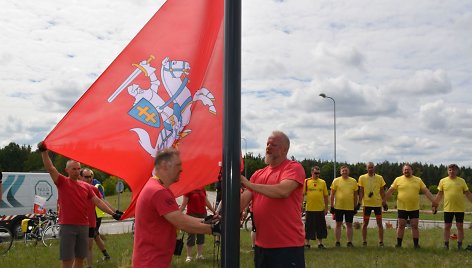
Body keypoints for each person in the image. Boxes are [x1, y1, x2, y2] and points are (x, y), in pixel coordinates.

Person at [38, 141, 122, 268]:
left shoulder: (86, 187)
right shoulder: (62, 182)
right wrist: (44, 152)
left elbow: (98, 201)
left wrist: (113, 214)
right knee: (67, 260)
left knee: (80, 259)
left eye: (78, 169)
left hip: (83, 226)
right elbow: (50, 168)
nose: (77, 171)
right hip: (67, 226)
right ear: (67, 170)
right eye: (74, 169)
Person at [132, 148, 220, 268]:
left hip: (152, 260)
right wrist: (214, 229)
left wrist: (207, 220)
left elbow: (180, 217)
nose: (181, 169)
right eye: (178, 165)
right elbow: (182, 223)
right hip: (151, 262)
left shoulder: (159, 188)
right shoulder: (158, 191)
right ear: (164, 166)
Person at [240, 131, 306, 268]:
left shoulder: (293, 168)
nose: (268, 147)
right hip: (262, 246)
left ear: (284, 150)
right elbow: (241, 203)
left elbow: (283, 191)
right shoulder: (258, 174)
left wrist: (249, 184)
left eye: (273, 144)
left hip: (288, 246)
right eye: (267, 144)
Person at [384, 163, 437, 248]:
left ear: (412, 171)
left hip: (414, 207)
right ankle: (398, 244)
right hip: (402, 207)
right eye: (405, 170)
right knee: (401, 226)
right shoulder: (398, 179)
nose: (406, 171)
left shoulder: (418, 180)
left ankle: (416, 245)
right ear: (402, 171)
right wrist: (384, 201)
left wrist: (434, 201)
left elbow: (426, 191)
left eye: (408, 170)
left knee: (415, 226)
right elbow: (390, 191)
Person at [79, 168, 113, 267]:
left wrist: (114, 212)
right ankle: (106, 255)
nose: (89, 178)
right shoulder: (80, 185)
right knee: (96, 236)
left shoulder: (96, 186)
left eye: (90, 176)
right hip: (89, 216)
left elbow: (101, 201)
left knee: (93, 237)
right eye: (86, 177)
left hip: (96, 215)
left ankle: (101, 257)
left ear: (92, 176)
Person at [434, 164, 472, 249]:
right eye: (450, 170)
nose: (452, 171)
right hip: (448, 209)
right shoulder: (443, 181)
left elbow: (468, 193)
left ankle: (460, 245)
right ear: (448, 171)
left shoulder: (462, 181)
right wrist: (434, 204)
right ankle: (446, 245)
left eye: (453, 170)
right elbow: (439, 194)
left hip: (459, 208)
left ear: (457, 171)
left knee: (460, 226)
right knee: (447, 226)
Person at [179, 187, 216, 262]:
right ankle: (189, 256)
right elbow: (183, 204)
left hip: (203, 214)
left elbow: (206, 201)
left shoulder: (202, 188)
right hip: (191, 214)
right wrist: (176, 215)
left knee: (201, 235)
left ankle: (199, 255)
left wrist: (214, 211)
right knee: (191, 235)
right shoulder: (188, 189)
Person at [357, 162, 387, 247]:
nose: (370, 169)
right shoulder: (362, 178)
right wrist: (359, 202)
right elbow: (361, 191)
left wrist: (384, 202)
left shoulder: (380, 178)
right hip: (367, 204)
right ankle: (364, 241)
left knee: (379, 223)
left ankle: (381, 242)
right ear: (366, 168)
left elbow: (382, 191)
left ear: (374, 168)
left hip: (377, 204)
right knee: (365, 223)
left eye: (372, 167)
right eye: (369, 168)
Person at [330, 165, 358, 247]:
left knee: (349, 224)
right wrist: (332, 206)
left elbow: (355, 195)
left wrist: (355, 206)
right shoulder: (336, 181)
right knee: (338, 224)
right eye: (343, 171)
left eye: (346, 170)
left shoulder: (353, 181)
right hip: (338, 206)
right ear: (340, 172)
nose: (344, 172)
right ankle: (337, 242)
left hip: (349, 207)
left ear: (348, 171)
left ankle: (349, 242)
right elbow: (332, 194)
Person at [303, 165, 328, 249]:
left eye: (318, 173)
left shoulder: (323, 182)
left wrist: (326, 208)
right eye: (315, 173)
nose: (317, 175)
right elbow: (302, 194)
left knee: (320, 227)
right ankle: (307, 243)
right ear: (312, 173)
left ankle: (320, 243)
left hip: (320, 208)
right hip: (309, 208)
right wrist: (300, 205)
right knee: (309, 226)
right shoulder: (306, 181)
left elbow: (325, 196)